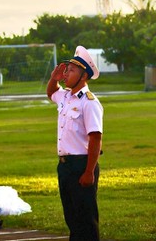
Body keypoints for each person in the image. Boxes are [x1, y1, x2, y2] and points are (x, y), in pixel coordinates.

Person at [46, 46, 104, 241]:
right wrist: (54, 78)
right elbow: (51, 92)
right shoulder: (66, 96)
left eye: (71, 70)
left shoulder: (89, 102)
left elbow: (95, 138)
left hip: (82, 164)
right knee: (71, 217)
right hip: (64, 165)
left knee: (86, 218)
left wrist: (89, 172)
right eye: (67, 69)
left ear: (83, 76)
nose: (66, 74)